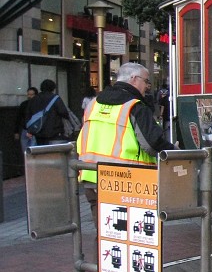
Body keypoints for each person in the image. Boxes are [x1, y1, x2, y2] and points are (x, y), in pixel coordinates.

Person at [77, 63, 176, 219]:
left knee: (104, 227)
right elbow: (152, 144)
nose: (147, 86)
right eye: (146, 81)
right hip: (126, 180)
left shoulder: (93, 104)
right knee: (131, 227)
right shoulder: (135, 106)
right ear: (134, 79)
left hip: (91, 174)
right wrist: (175, 152)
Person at [23, 79, 74, 146]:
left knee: (40, 150)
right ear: (53, 88)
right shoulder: (55, 98)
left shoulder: (34, 99)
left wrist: (29, 129)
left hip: (38, 131)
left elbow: (28, 114)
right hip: (54, 131)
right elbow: (63, 112)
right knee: (53, 150)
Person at [14, 86, 38, 152]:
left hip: (32, 129)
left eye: (31, 95)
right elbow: (19, 117)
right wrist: (16, 131)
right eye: (28, 94)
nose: (29, 96)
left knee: (31, 150)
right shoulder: (24, 104)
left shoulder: (27, 104)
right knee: (26, 150)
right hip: (27, 129)